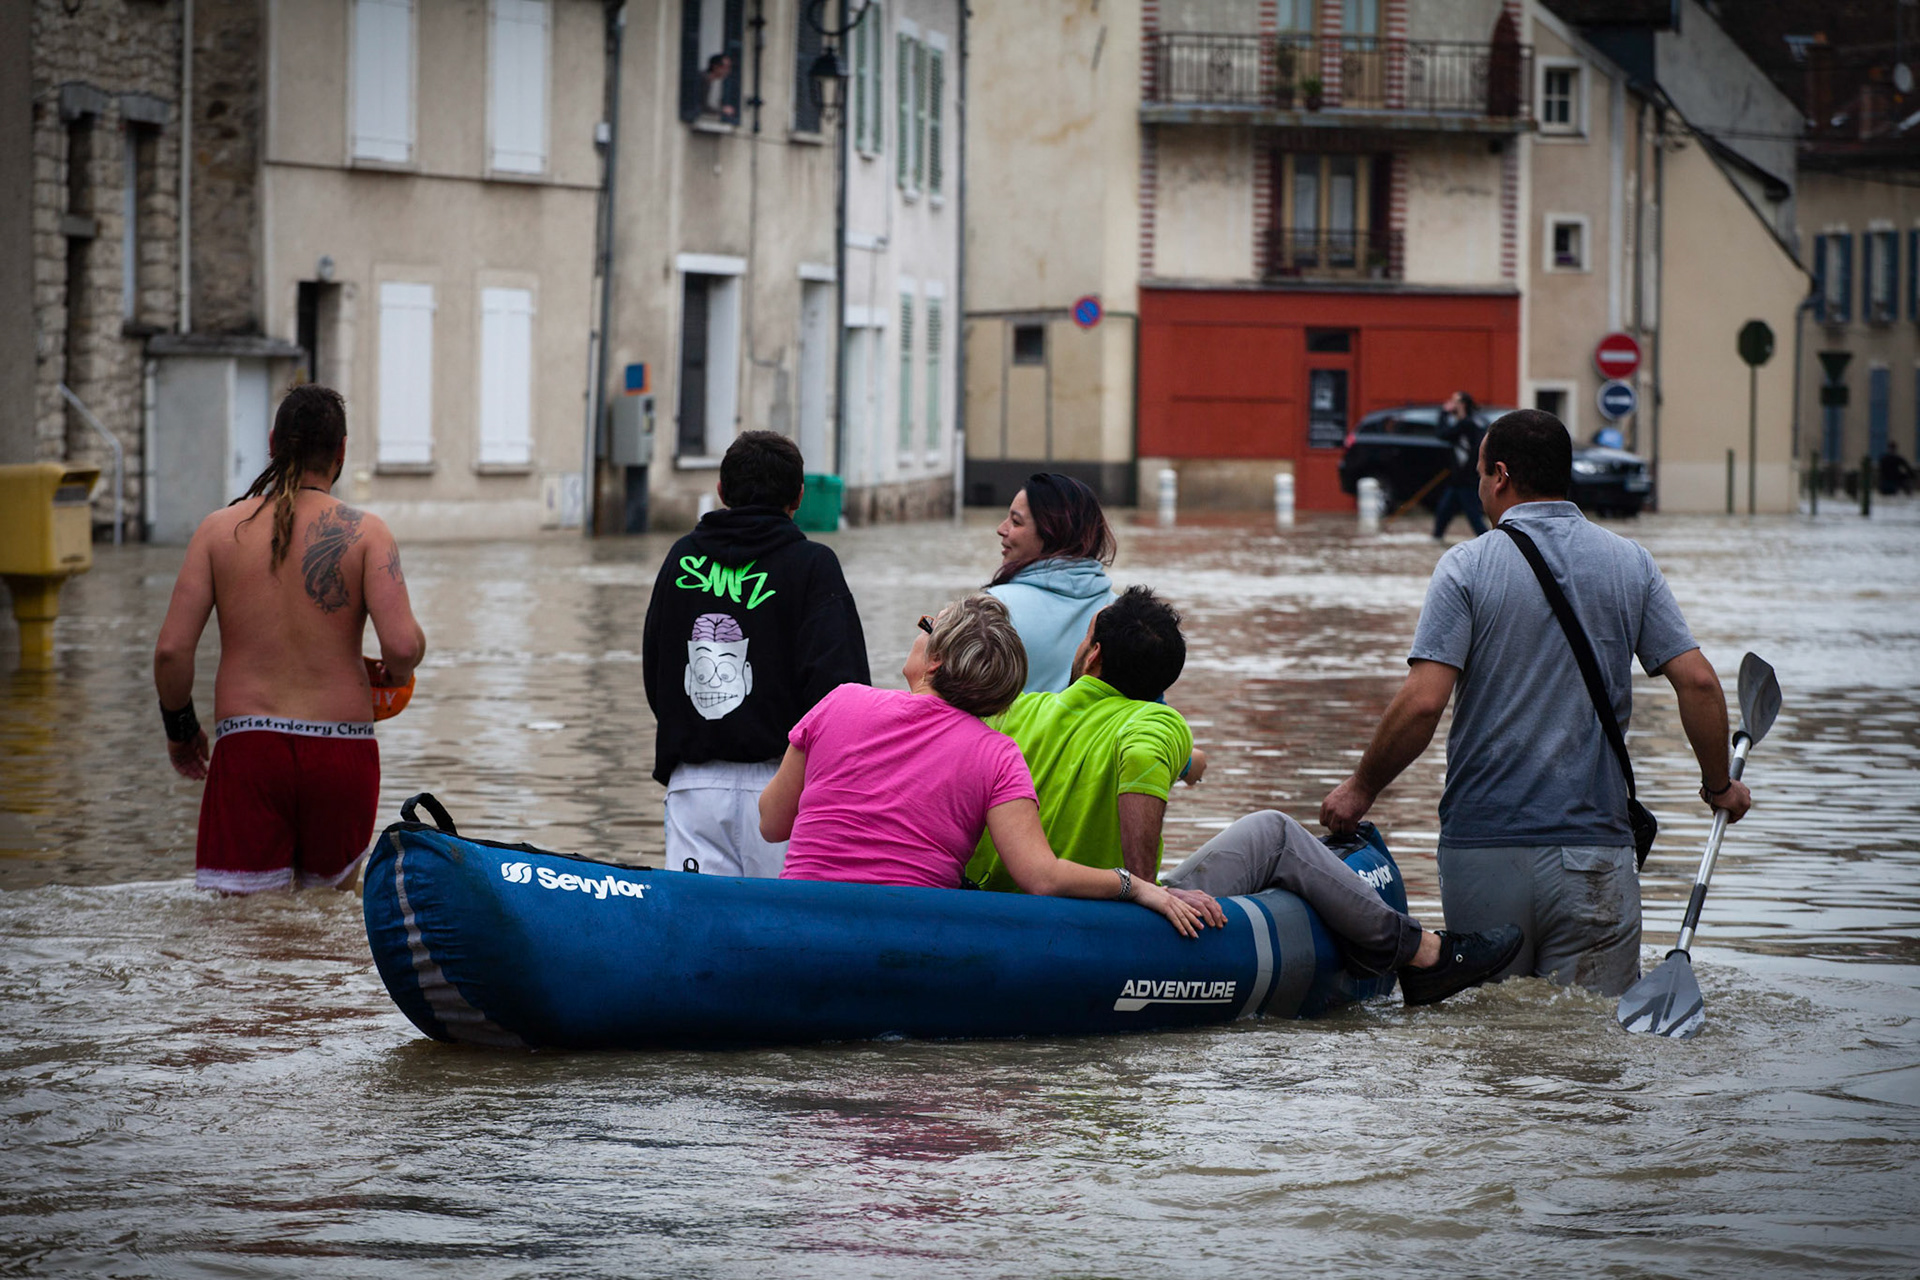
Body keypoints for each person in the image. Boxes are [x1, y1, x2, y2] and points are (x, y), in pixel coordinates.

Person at [1321, 409, 1753, 996]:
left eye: (1479, 474)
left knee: (1492, 1044)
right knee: (1588, 1053)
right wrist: (1717, 786)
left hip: (1484, 849)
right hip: (1595, 855)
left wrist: (1360, 790)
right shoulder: (1632, 563)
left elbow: (1423, 704)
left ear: (1499, 476)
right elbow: (1699, 683)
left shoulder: (1466, 566)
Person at [969, 586, 1525, 1006]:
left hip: (998, 913)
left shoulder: (1020, 710)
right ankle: (1423, 954)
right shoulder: (1156, 726)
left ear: (1091, 657)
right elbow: (1141, 759)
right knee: (1276, 832)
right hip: (1114, 919)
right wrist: (1141, 887)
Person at [760, 595, 1210, 937]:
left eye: (927, 626)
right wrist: (1137, 885)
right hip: (915, 937)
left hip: (802, 923)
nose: (919, 632)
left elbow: (772, 822)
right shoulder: (994, 752)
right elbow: (1041, 875)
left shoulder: (840, 701)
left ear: (937, 657)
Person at [152, 383, 425, 894]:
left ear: (273, 442)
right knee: (324, 932)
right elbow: (402, 646)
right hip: (342, 754)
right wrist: (400, 674)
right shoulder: (368, 533)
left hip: (250, 748)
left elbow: (170, 651)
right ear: (342, 450)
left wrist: (181, 727)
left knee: (241, 938)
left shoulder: (218, 530)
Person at [642, 430, 869, 878]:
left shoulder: (681, 557)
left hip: (694, 786)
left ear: (722, 492)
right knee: (787, 931)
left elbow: (656, 671)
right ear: (799, 497)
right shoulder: (813, 566)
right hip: (784, 786)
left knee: (698, 931)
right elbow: (841, 691)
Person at [985, 473, 1118, 694]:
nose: (1001, 528)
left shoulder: (994, 608)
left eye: (1015, 521)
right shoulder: (1122, 612)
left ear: (1053, 531)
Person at [1432, 391, 1488, 539]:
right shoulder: (1470, 422)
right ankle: (1437, 537)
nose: (1451, 404)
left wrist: (1443, 413)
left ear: (1462, 404)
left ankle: (1487, 540)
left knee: (1473, 515)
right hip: (1459, 479)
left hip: (1467, 479)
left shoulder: (1468, 424)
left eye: (1454, 401)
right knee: (1444, 511)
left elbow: (1442, 433)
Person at [702, 52, 736, 120]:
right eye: (725, 67)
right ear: (715, 67)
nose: (728, 71)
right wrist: (722, 110)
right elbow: (702, 106)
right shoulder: (703, 79)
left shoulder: (709, 80)